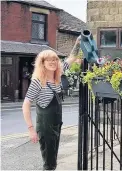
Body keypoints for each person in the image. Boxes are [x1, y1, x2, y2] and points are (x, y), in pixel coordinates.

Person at [22, 36, 81, 170]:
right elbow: (26, 104)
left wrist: (77, 43)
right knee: (49, 163)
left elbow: (70, 58)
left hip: (56, 124)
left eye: (55, 59)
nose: (53, 62)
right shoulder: (38, 81)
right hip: (45, 127)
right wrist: (31, 129)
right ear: (42, 63)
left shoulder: (57, 76)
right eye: (49, 60)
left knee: (53, 159)